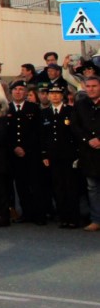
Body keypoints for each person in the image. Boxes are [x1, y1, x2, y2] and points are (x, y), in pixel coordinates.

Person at [40, 85, 81, 228]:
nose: (55, 96)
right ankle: (63, 216)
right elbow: (43, 136)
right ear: (48, 96)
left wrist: (77, 154)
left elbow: (75, 133)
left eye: (57, 93)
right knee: (58, 186)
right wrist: (44, 154)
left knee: (71, 186)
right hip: (53, 155)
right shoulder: (44, 113)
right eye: (52, 93)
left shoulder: (70, 111)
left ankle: (74, 218)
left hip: (68, 155)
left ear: (62, 96)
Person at [6, 80, 45, 225]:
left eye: (21, 89)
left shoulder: (34, 108)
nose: (18, 92)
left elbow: (37, 131)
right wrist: (14, 147)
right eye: (15, 89)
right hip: (14, 154)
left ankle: (39, 214)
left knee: (35, 184)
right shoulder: (7, 108)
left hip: (31, 153)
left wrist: (25, 148)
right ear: (11, 92)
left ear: (26, 92)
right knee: (21, 185)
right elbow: (5, 132)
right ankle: (26, 213)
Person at [71, 76, 100, 231]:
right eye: (88, 86)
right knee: (92, 188)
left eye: (94, 86)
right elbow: (75, 126)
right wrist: (87, 139)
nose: (91, 89)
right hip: (88, 152)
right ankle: (96, 220)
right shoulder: (80, 104)